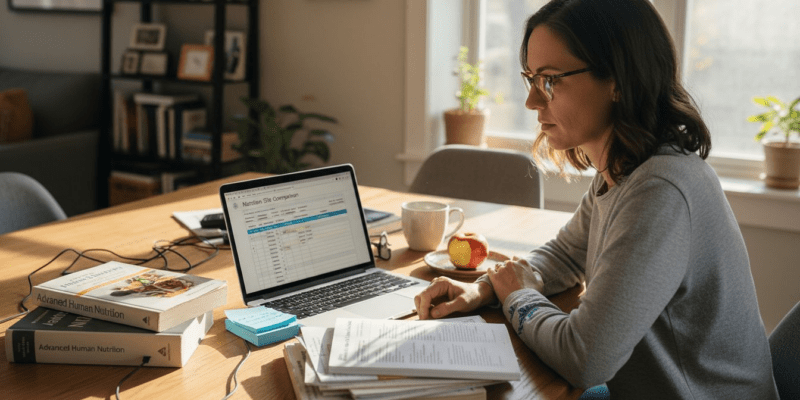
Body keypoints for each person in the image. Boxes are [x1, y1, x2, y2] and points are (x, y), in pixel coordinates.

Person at [413, 0, 780, 398]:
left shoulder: (659, 190)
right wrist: (485, 288)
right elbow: (567, 255)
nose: (532, 102)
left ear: (618, 80)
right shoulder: (624, 168)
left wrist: (517, 297)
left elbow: (585, 358)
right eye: (531, 79)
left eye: (550, 80)